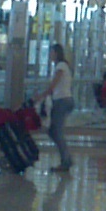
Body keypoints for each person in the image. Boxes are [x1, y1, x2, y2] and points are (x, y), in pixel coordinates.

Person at [34, 44, 74, 173]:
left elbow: (53, 85)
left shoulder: (61, 66)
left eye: (51, 52)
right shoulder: (61, 66)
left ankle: (66, 160)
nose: (50, 55)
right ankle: (66, 158)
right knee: (53, 131)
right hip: (62, 100)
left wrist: (41, 96)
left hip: (62, 101)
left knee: (56, 131)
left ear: (56, 53)